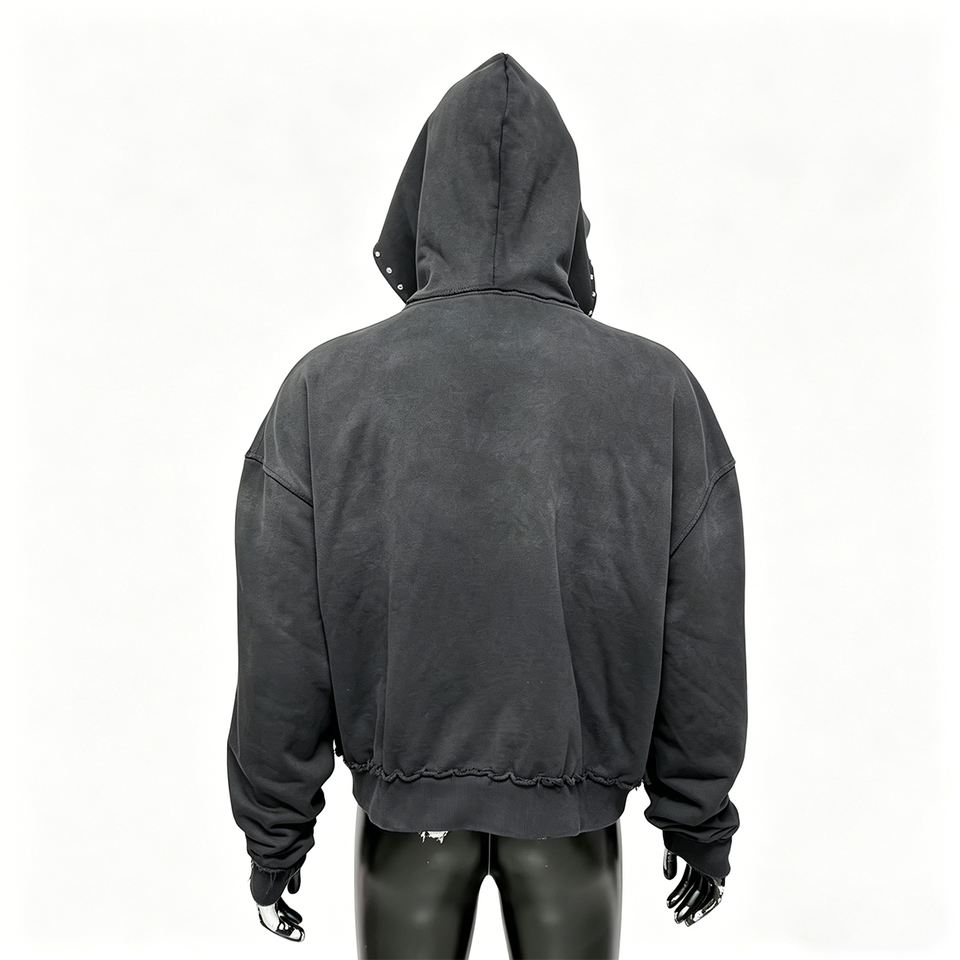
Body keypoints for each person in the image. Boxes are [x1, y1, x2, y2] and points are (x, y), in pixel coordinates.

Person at [227, 52, 746, 954]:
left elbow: (282, 637)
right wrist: (696, 817)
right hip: (575, 831)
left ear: (424, 197)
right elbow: (701, 630)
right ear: (565, 203)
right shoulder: (656, 389)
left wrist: (277, 836)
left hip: (407, 829)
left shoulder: (325, 388)